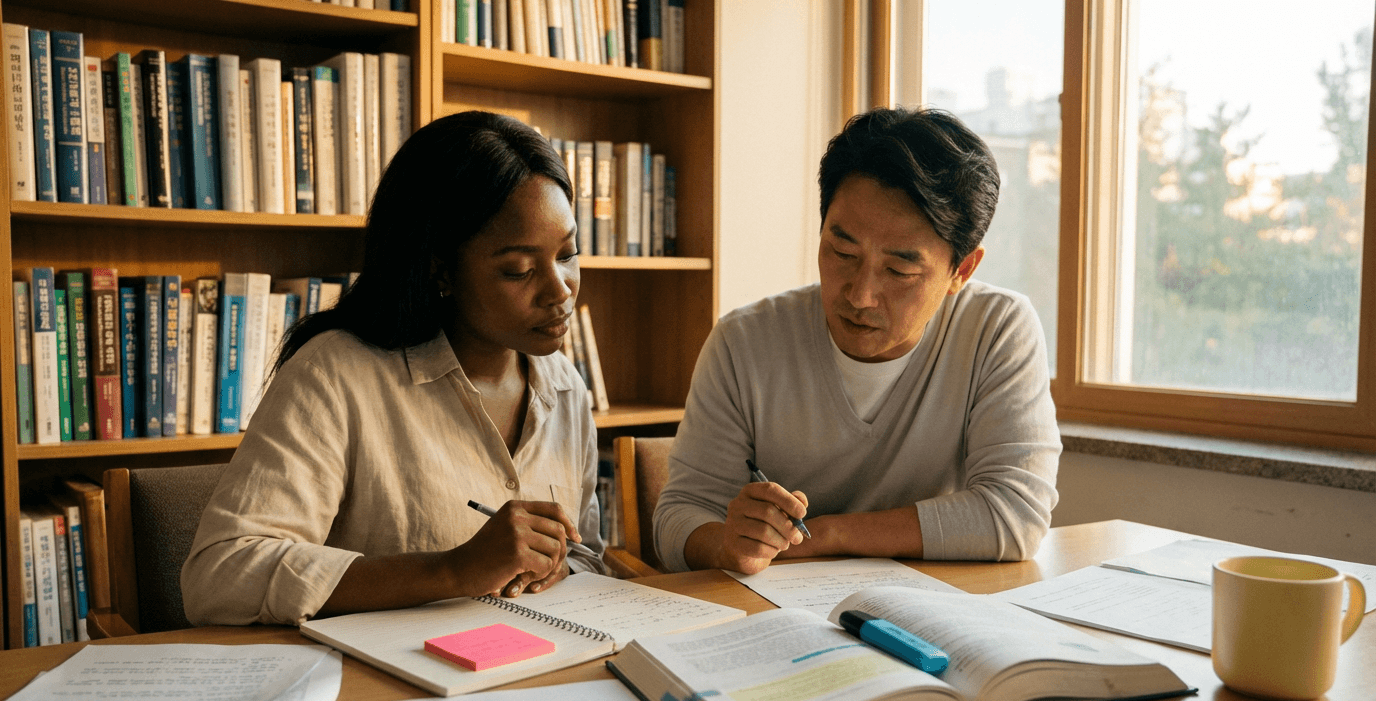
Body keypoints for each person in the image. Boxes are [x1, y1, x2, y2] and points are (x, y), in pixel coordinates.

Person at [182, 111, 608, 626]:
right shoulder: (336, 375)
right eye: (519, 269)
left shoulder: (565, 387)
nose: (561, 289)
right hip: (379, 688)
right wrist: (453, 570)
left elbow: (587, 557)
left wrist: (559, 566)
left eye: (568, 254)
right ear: (440, 269)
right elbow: (220, 574)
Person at [653, 106, 1061, 574]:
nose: (860, 295)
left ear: (961, 270)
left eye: (899, 270)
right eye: (841, 251)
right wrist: (727, 545)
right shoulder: (743, 343)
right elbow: (678, 518)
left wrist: (829, 533)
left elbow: (1016, 516)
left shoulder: (996, 330)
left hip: (935, 615)